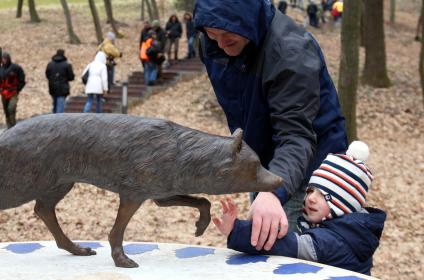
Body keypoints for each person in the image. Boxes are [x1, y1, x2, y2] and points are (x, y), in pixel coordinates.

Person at [193, 0, 347, 252]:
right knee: (260, 244)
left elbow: (297, 136)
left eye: (227, 36)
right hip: (263, 165)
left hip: (313, 172)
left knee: (290, 257)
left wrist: (273, 192)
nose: (219, 43)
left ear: (246, 18)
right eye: (212, 35)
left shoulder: (290, 51)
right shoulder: (211, 44)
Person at [213, 142, 386, 275]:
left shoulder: (332, 242)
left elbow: (288, 246)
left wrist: (236, 231)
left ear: (343, 205)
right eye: (311, 190)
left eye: (323, 195)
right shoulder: (350, 231)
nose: (311, 198)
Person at [45, 49, 75, 113]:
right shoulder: (66, 65)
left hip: (52, 87)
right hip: (62, 88)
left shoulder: (50, 64)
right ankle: (58, 121)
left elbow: (47, 75)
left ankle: (53, 120)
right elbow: (71, 77)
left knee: (54, 105)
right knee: (60, 106)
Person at [0, 52, 25, 128]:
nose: (4, 60)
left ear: (8, 59)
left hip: (13, 92)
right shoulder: (1, 69)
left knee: (11, 108)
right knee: (6, 111)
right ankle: (9, 126)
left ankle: (13, 126)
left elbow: (22, 79)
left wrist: (18, 89)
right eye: (2, 59)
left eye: (5, 58)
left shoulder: (16, 68)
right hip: (3, 93)